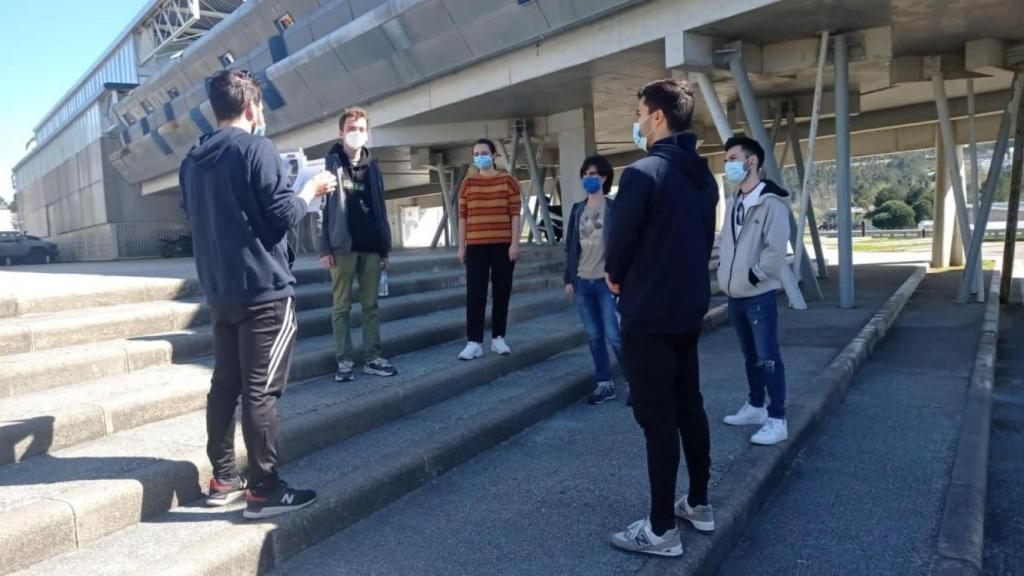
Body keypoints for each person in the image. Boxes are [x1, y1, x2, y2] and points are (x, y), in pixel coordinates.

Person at [180, 69, 335, 519]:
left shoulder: (192, 159)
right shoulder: (256, 148)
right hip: (265, 290)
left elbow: (196, 216)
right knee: (261, 390)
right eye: (261, 107)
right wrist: (309, 189)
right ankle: (263, 488)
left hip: (220, 290)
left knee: (224, 385)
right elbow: (281, 215)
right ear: (251, 107)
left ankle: (223, 477)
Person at [605, 79, 719, 557]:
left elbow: (619, 247)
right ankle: (698, 502)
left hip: (648, 312)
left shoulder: (642, 173)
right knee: (689, 404)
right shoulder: (704, 175)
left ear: (657, 117)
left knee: (657, 419)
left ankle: (659, 529)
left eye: (639, 111)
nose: (637, 121)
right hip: (688, 308)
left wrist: (615, 277)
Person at [717, 136, 791, 446]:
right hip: (735, 295)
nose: (728, 164)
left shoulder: (771, 202)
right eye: (726, 159)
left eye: (733, 158)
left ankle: (777, 418)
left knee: (768, 357)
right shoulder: (735, 201)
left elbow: (775, 250)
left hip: (758, 294)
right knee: (750, 356)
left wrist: (754, 275)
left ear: (752, 162)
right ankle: (756, 405)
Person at [320, 107, 397, 383]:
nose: (356, 134)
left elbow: (380, 209)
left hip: (372, 247)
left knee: (371, 305)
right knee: (341, 306)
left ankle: (372, 357)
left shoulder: (374, 167)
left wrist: (385, 248)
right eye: (351, 129)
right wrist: (324, 248)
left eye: (361, 129)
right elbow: (323, 209)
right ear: (341, 132)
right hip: (342, 247)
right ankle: (344, 360)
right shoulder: (331, 164)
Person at [563, 155, 627, 405]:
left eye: (594, 174)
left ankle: (635, 382)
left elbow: (623, 244)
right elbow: (570, 245)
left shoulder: (614, 208)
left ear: (604, 178)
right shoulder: (578, 209)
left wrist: (619, 275)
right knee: (593, 336)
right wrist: (568, 277)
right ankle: (604, 383)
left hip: (606, 283)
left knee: (615, 335)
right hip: (582, 282)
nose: (590, 179)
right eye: (586, 174)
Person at [456, 138, 522, 360]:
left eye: (484, 152)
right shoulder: (468, 184)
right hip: (475, 246)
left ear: (494, 155)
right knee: (475, 294)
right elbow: (462, 217)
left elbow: (515, 214)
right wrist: (461, 246)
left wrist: (515, 243)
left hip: (502, 245)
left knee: (502, 292)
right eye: (476, 153)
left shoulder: (508, 181)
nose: (480, 157)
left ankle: (498, 338)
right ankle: (473, 341)